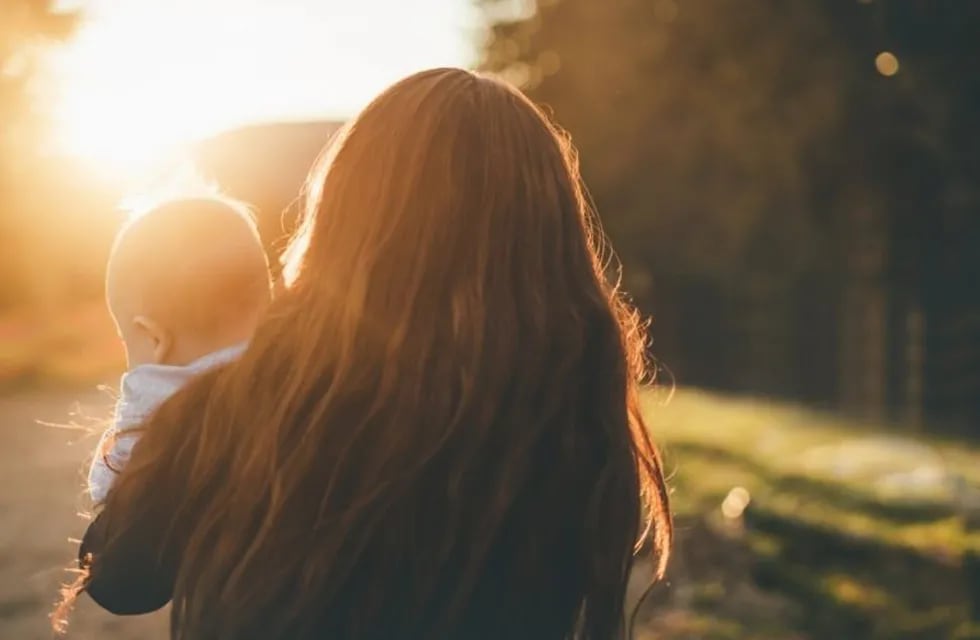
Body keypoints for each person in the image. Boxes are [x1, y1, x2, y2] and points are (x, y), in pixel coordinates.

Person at [65, 67, 672, 640]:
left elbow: (124, 575)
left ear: (346, 220)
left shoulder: (271, 396)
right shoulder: (574, 410)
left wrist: (163, 383)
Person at [87, 197, 271, 504]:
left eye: (126, 341)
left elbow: (108, 493)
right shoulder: (299, 384)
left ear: (155, 338)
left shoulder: (153, 418)